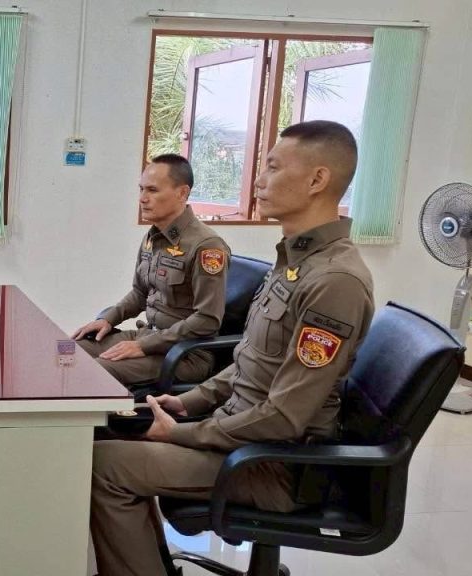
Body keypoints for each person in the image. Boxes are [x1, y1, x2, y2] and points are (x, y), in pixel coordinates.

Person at [89, 121, 375, 576]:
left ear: (317, 180)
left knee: (102, 467)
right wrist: (187, 402)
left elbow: (285, 417)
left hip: (272, 464)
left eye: (273, 167)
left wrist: (182, 433)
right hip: (239, 434)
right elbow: (249, 362)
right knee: (103, 432)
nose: (258, 180)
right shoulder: (294, 264)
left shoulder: (334, 281)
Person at [72, 154, 230, 390]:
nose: (142, 198)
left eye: (153, 190)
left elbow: (207, 320)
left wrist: (143, 346)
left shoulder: (207, 246)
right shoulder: (153, 236)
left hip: (185, 353)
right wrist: (108, 319)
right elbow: (140, 293)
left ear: (182, 193)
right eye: (141, 189)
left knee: (94, 371)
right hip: (148, 335)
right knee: (67, 352)